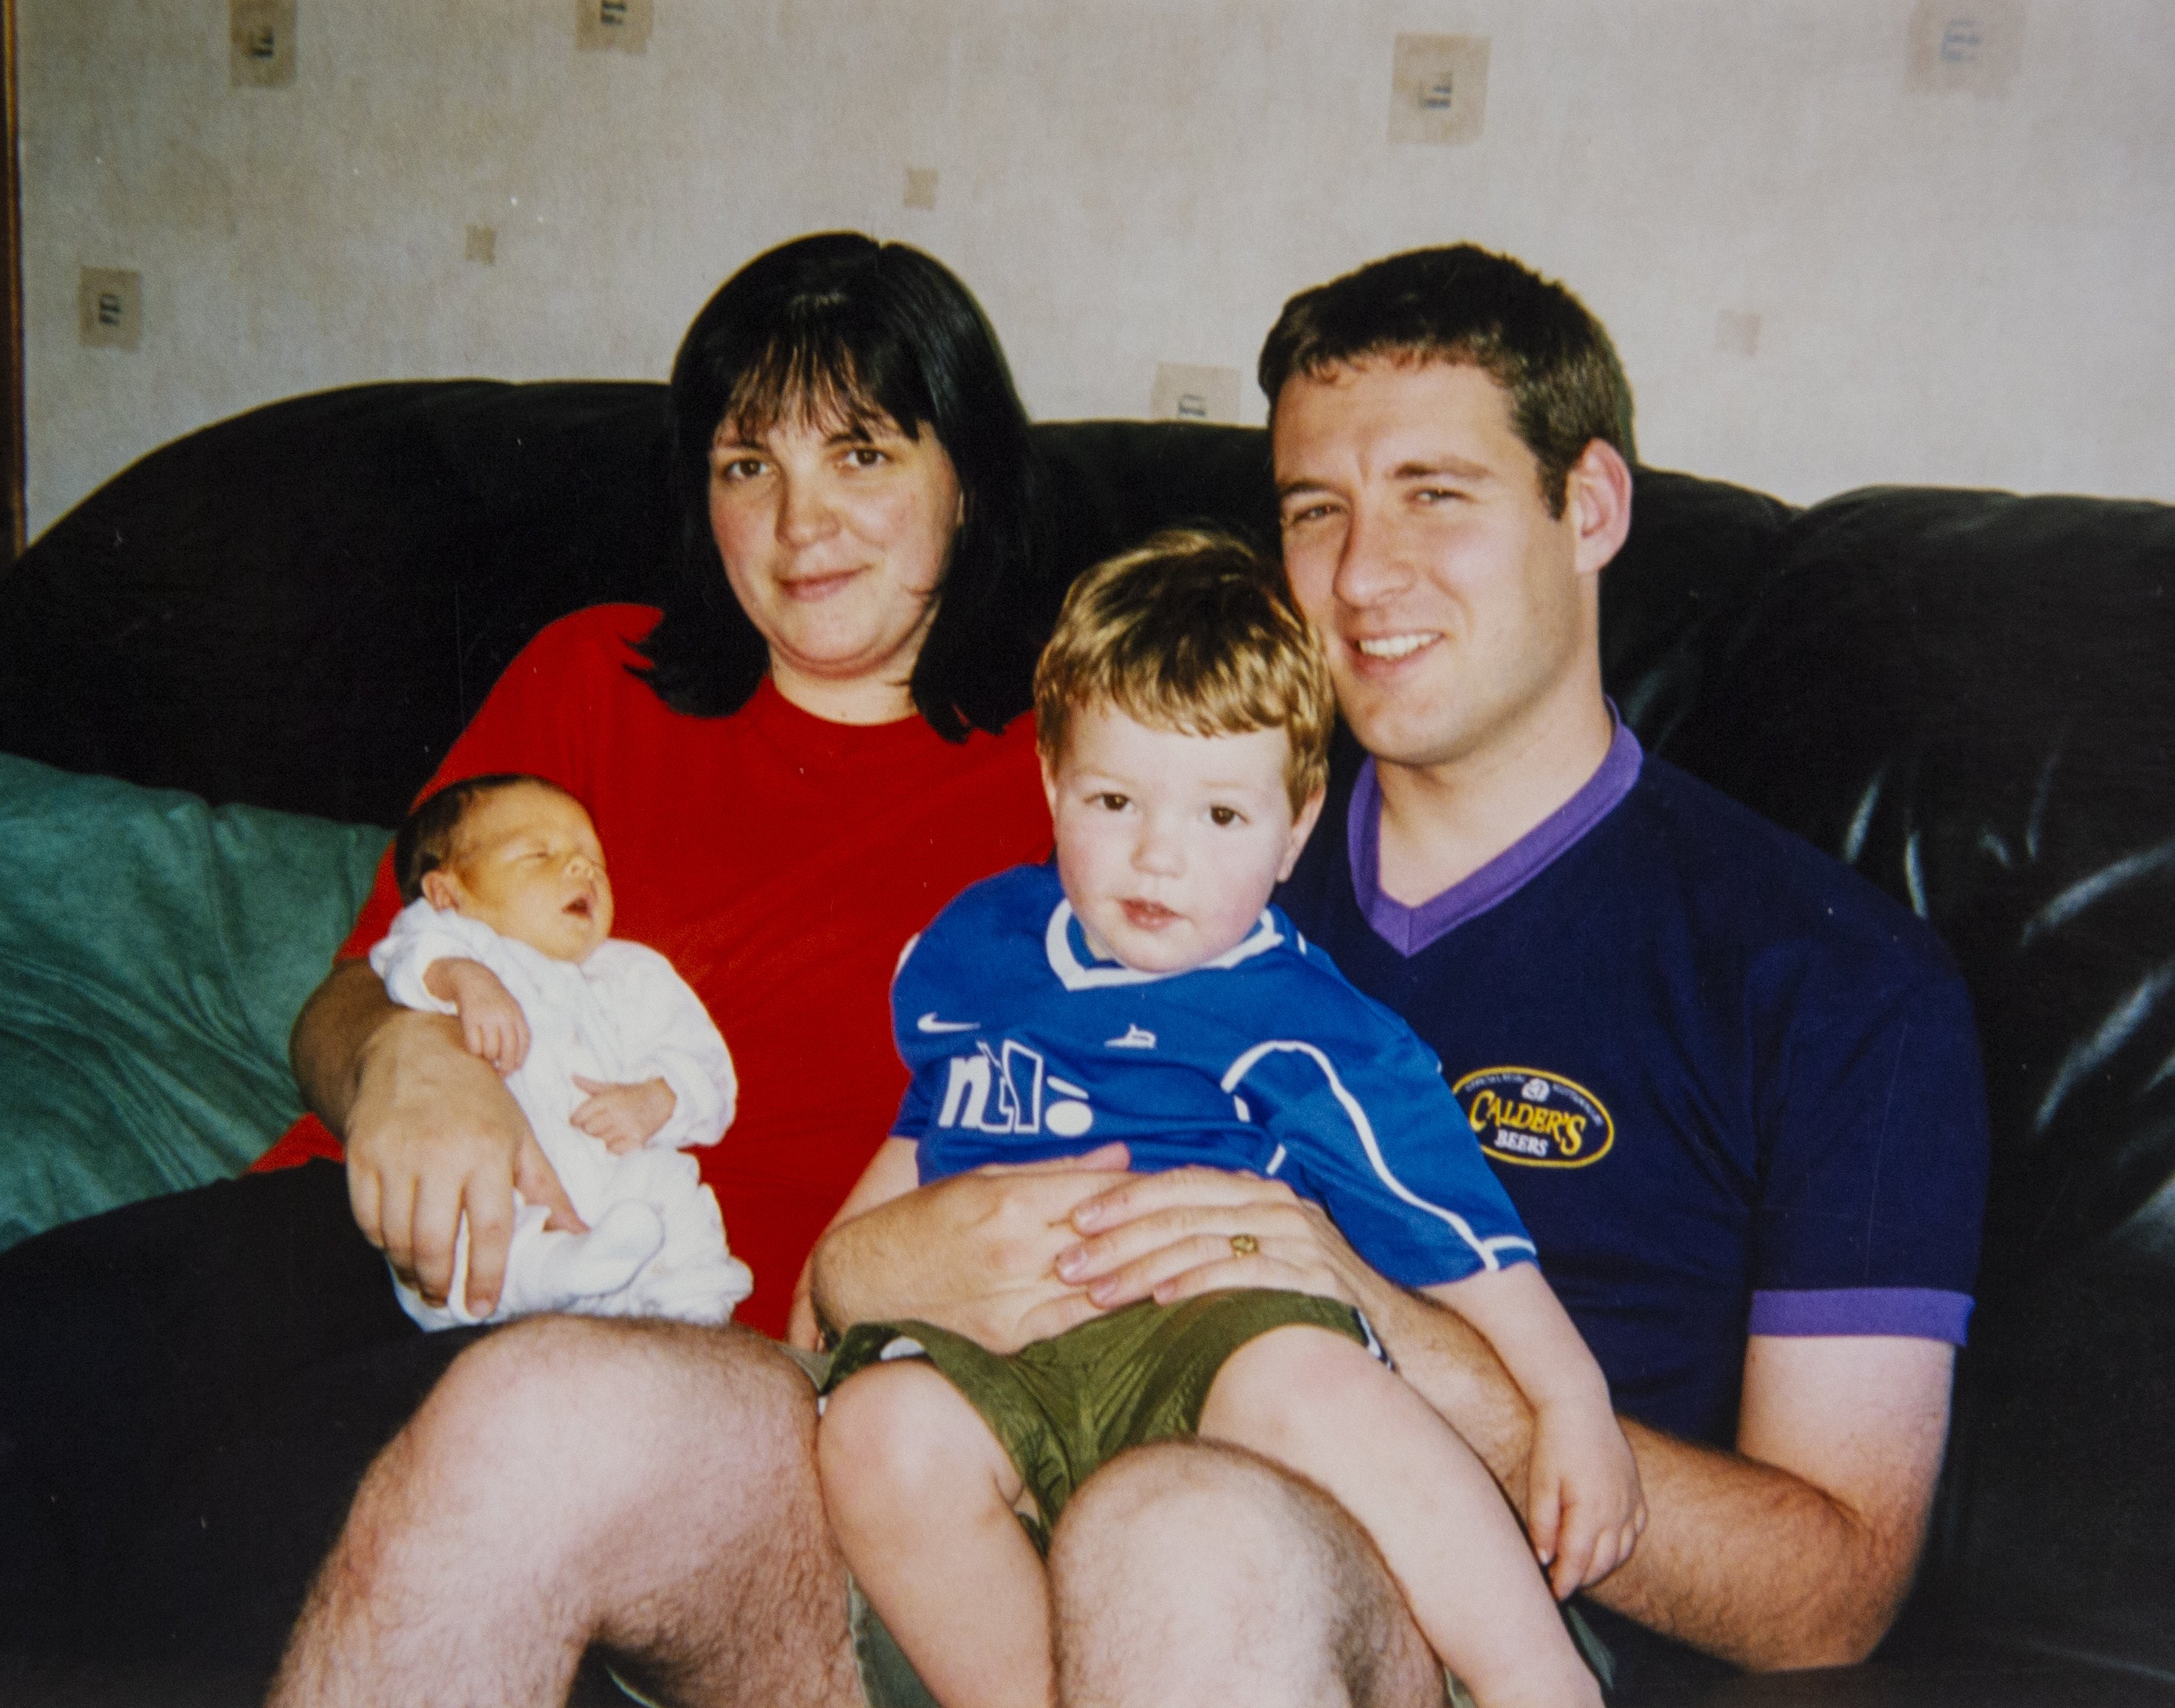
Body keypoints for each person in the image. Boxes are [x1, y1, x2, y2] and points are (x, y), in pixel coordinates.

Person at [0, 231, 1056, 1707]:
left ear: (966, 476)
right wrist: (399, 1057)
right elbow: (345, 995)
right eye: (743, 465)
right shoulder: (594, 676)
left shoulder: (1063, 775)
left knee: (285, 1541)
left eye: (859, 454)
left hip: (645, 1324)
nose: (797, 522)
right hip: (343, 1229)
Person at [808, 245, 1990, 1703]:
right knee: (568, 1408)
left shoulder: (1827, 976)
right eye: (1317, 511)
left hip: (1407, 1607)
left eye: (1436, 494)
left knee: (1176, 1532)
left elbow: (1831, 1595)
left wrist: (1386, 1332)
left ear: (1591, 506)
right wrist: (875, 1267)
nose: (1363, 578)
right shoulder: (1175, 858)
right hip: (986, 1541)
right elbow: (849, 1269)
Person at [813, 530, 1632, 1708]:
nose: (1158, 855)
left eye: (1218, 817)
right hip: (993, 1349)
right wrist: (824, 1292)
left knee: (1314, 1382)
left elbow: (1463, 1238)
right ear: (1049, 779)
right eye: (1111, 798)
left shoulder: (1309, 1025)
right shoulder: (972, 948)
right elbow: (923, 1127)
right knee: (874, 1435)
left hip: (1214, 1337)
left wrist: (1571, 1402)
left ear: (1296, 824)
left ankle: (1533, 1677)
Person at [369, 772, 749, 1329]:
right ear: (448, 894)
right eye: (538, 854)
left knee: (669, 1184)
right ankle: (553, 1271)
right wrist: (464, 980)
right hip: (499, 1175)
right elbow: (403, 958)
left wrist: (654, 1098)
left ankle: (696, 1301)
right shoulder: (458, 945)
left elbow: (706, 1069)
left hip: (606, 1172)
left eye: (593, 860)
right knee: (464, 1204)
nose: (581, 869)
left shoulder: (630, 972)